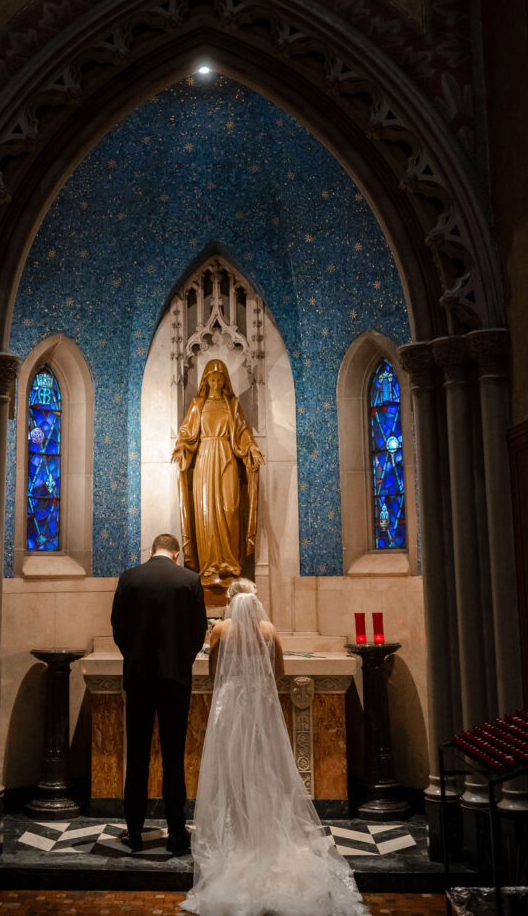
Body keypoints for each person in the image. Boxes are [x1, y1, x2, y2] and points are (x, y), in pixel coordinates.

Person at [182, 579, 368, 916]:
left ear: (230, 601)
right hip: (260, 706)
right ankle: (265, 838)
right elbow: (279, 672)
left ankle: (238, 838)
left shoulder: (220, 630)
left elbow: (214, 674)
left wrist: (235, 685)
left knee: (233, 773)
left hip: (231, 707)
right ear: (255, 601)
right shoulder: (268, 629)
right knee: (265, 772)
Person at [111, 532, 208, 854]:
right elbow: (198, 631)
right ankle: (177, 834)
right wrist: (181, 662)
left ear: (151, 551)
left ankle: (135, 831)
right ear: (177, 554)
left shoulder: (130, 578)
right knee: (173, 758)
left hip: (138, 679)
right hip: (175, 681)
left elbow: (118, 627)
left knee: (137, 757)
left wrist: (135, 657)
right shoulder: (189, 580)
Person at [172, 359, 263, 602]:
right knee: (206, 514)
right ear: (205, 381)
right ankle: (210, 567)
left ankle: (230, 566)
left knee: (230, 509)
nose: (215, 383)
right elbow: (187, 433)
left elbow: (243, 432)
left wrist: (251, 447)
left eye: (219, 379)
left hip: (227, 460)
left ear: (225, 381)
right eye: (211, 379)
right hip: (204, 462)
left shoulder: (232, 404)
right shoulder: (198, 404)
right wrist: (181, 447)